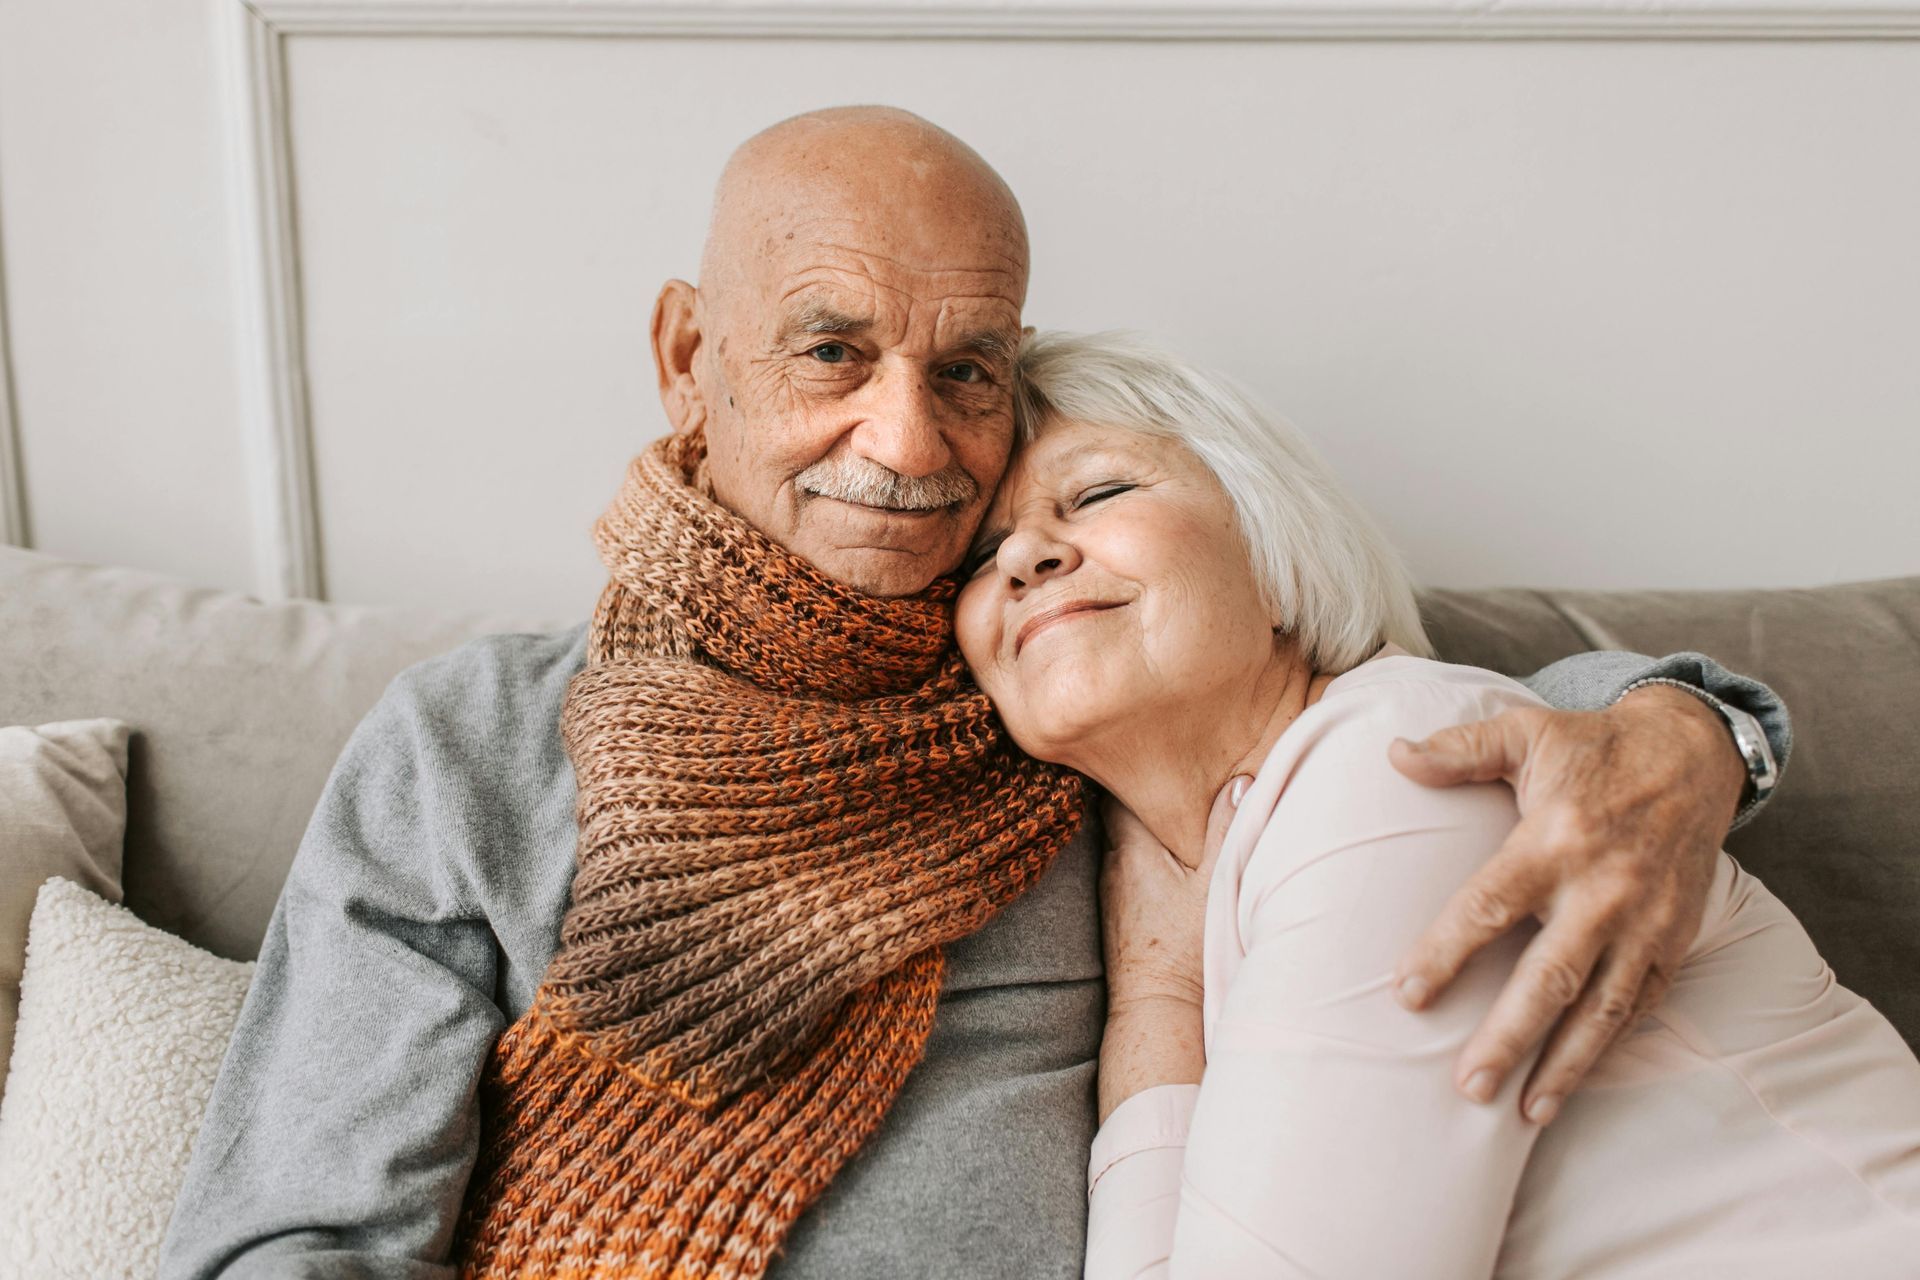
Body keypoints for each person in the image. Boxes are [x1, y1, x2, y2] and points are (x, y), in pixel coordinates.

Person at [160, 108, 1792, 1279]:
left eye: (967, 373)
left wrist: (1685, 724)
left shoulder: (1059, 676)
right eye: (830, 354)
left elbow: (1428, 720)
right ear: (685, 354)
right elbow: (295, 1238)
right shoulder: (474, 745)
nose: (909, 444)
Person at [953, 329, 1920, 1278]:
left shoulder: (1403, 762)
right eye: (981, 553)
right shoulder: (1224, 852)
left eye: (1099, 494)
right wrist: (1164, 993)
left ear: (1273, 545)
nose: (1026, 555)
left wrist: (1159, 1008)